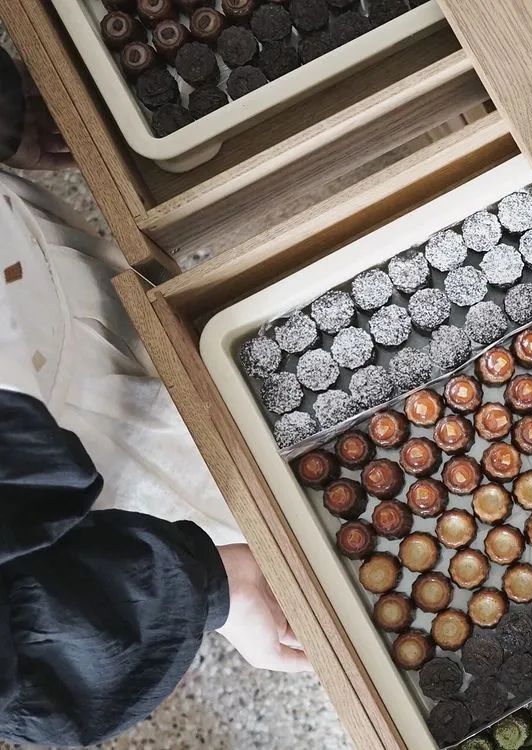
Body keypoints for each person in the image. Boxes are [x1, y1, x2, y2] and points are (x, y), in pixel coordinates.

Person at [0, 46, 309, 747]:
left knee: (131, 328)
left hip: (26, 276)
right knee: (224, 480)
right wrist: (205, 581)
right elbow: (24, 660)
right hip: (59, 460)